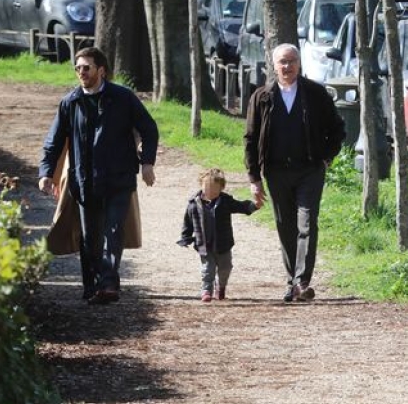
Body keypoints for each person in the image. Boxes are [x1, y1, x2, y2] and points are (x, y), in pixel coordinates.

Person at [39, 47, 159, 305]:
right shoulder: (70, 103)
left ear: (101, 70)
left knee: (113, 231)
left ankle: (108, 284)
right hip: (84, 181)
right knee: (89, 238)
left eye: (86, 68)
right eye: (78, 68)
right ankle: (91, 285)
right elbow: (54, 140)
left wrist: (147, 163)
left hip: (118, 179)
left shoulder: (123, 98)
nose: (81, 72)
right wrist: (46, 172)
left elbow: (149, 129)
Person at [244, 43, 346, 302]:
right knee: (285, 225)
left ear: (299, 64)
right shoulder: (262, 97)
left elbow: (337, 128)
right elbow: (250, 139)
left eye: (291, 61)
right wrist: (254, 178)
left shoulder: (314, 93)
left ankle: (302, 281)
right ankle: (292, 279)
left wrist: (326, 158)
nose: (287, 67)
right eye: (282, 62)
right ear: (274, 65)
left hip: (309, 170)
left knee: (307, 222)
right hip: (276, 171)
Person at [177, 168, 259, 302]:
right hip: (204, 244)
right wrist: (185, 238)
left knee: (225, 268)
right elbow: (188, 222)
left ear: (221, 189)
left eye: (214, 190)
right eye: (206, 188)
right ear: (201, 185)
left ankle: (221, 287)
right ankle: (206, 291)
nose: (209, 192)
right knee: (207, 269)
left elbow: (240, 206)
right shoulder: (193, 203)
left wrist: (253, 206)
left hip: (223, 244)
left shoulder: (225, 201)